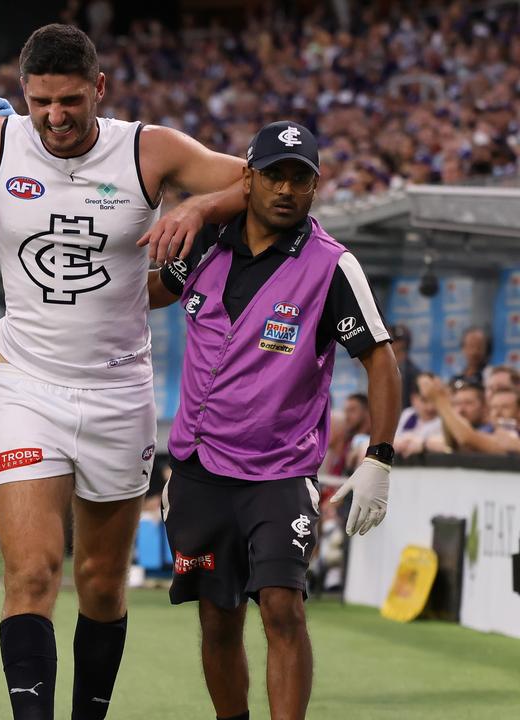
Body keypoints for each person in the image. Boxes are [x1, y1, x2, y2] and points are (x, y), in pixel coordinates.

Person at [0, 24, 246, 720]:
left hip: (119, 391)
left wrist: (199, 204)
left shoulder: (149, 149)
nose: (54, 117)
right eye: (39, 102)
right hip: (27, 387)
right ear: (23, 96)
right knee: (31, 574)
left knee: (100, 583)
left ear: (99, 89)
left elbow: (255, 180)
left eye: (68, 100)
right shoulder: (0, 141)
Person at [147, 121, 399, 720]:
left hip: (279, 473)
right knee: (217, 616)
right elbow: (149, 293)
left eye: (301, 179)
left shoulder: (333, 266)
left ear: (315, 189)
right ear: (248, 179)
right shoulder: (204, 244)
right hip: (199, 469)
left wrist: (378, 457)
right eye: (275, 175)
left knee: (283, 605)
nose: (287, 189)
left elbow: (380, 360)